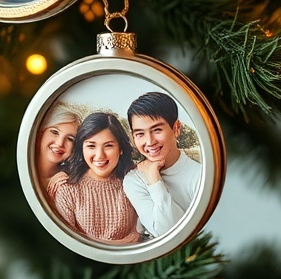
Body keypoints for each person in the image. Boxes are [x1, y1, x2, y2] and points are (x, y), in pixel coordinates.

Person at [52, 111, 141, 245]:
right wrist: (122, 243)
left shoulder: (134, 180)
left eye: (108, 146)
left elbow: (148, 232)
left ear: (121, 148)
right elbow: (67, 243)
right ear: (81, 148)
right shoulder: (67, 188)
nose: (99, 155)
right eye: (91, 146)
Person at [123, 91, 202, 239]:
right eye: (140, 134)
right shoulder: (134, 180)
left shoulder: (200, 174)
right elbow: (165, 234)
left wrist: (153, 178)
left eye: (157, 130)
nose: (150, 142)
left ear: (176, 128)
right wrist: (155, 181)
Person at [36, 102, 80, 192]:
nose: (60, 143)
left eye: (70, 139)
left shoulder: (71, 182)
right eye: (55, 132)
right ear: (41, 132)